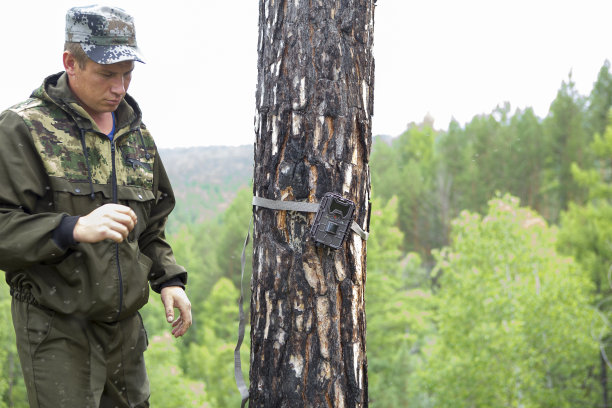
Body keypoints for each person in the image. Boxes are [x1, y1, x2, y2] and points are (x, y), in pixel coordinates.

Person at [0, 5, 192, 407]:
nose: (120, 86)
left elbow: (150, 226)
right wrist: (70, 228)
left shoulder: (134, 133)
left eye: (127, 74)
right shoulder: (23, 128)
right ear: (71, 62)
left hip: (124, 334)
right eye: (107, 74)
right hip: (57, 329)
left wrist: (169, 279)